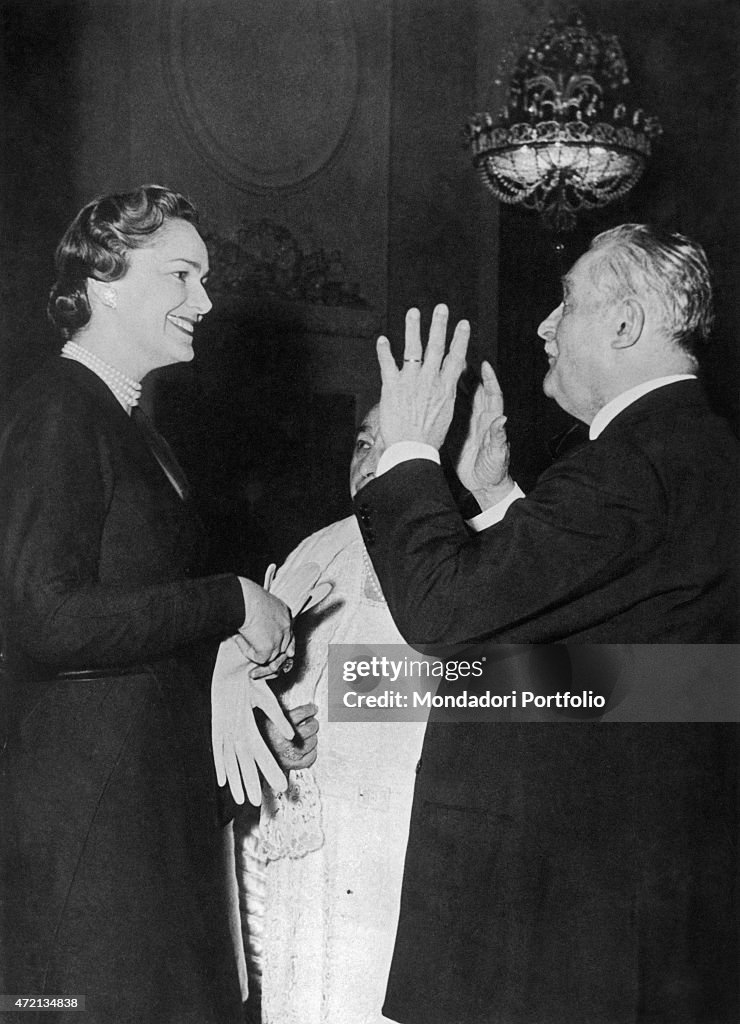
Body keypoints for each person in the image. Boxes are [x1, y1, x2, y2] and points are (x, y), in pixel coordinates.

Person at [353, 225, 739, 1022]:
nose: (543, 327)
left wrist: (408, 450)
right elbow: (616, 653)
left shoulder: (633, 462)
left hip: (568, 910)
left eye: (566, 301)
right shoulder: (688, 448)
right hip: (620, 891)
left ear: (626, 325)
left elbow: (440, 612)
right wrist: (497, 501)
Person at [0, 185, 297, 1024]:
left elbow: (132, 610)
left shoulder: (132, 426)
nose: (204, 301)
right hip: (91, 823)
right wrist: (229, 601)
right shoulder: (60, 408)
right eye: (182, 275)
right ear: (103, 280)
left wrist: (233, 667)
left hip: (143, 809)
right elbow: (42, 616)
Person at [234, 405, 429, 1024]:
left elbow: (557, 689)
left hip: (403, 853)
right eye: (362, 444)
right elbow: (248, 690)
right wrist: (266, 727)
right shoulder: (317, 549)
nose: (369, 467)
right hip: (308, 856)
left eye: (391, 447)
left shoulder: (468, 546)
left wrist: (359, 689)